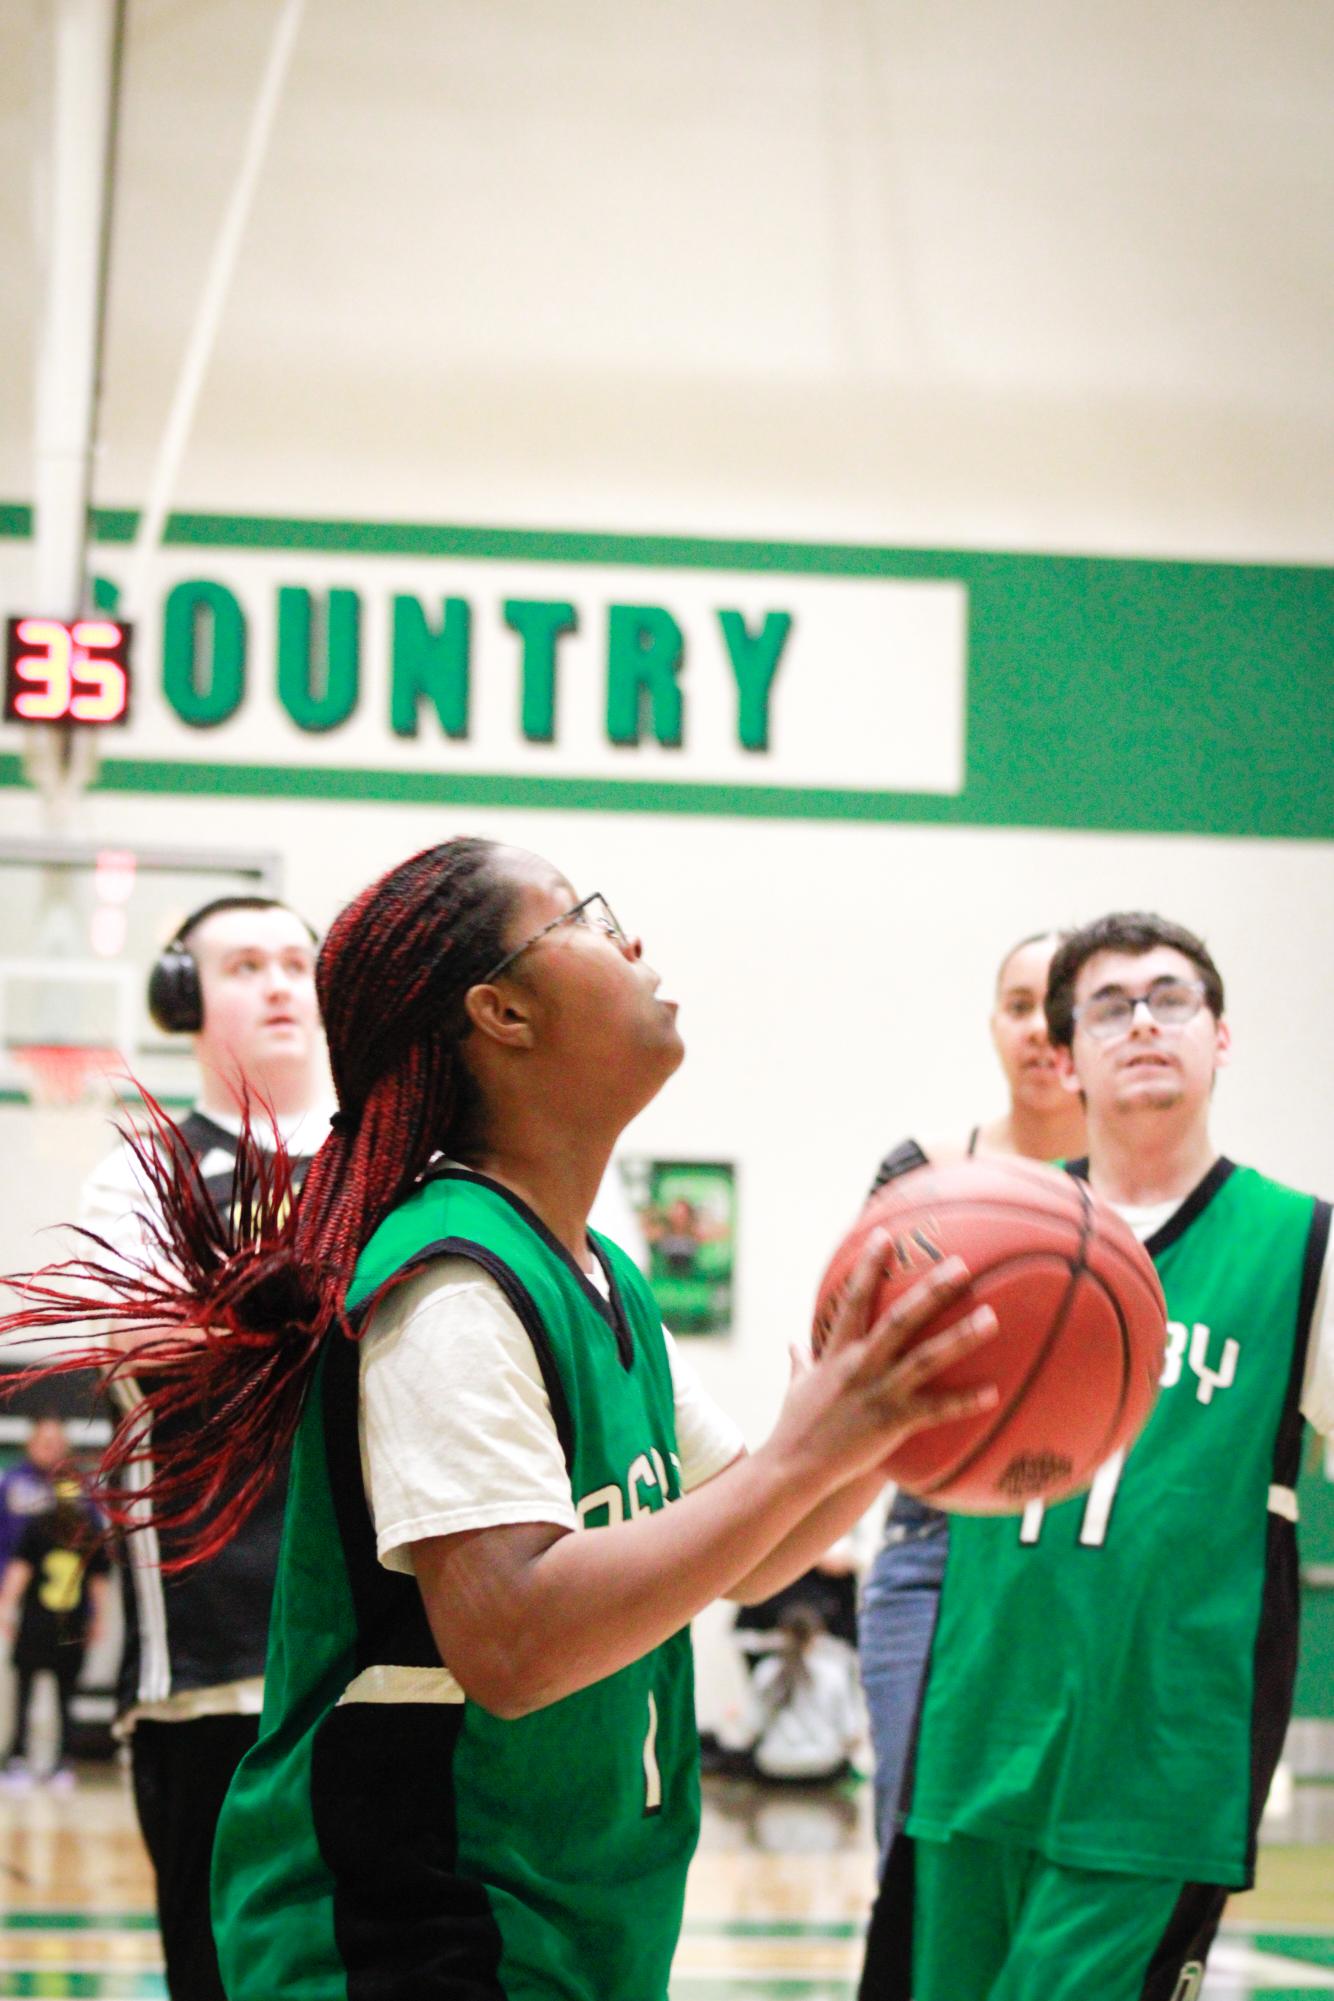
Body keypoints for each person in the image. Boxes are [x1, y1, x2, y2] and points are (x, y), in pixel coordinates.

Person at [0, 838, 1000, 2001]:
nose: (629, 940)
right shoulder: (450, 1284)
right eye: (584, 914)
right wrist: (808, 1447)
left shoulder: (601, 1276)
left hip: (559, 1923)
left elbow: (757, 1552)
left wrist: (888, 1418)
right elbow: (511, 1641)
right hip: (418, 1932)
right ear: (502, 1012)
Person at [861, 911, 1333, 2001]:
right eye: (1107, 1007)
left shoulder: (1299, 1246)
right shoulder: (988, 1232)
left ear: (1220, 1038)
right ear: (1062, 1057)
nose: (1142, 1023)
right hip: (971, 1754)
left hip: (1158, 1777)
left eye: (1171, 999)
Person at [78, 895, 334, 2001]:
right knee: (222, 1972)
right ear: (185, 998)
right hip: (215, 1660)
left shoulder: (395, 1165)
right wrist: (280, 1307)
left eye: (295, 961)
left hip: (379, 1651)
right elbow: (117, 1335)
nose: (279, 984)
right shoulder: (148, 1174)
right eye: (244, 966)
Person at [859, 931, 1086, 1866]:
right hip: (938, 1540)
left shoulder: (1154, 1200)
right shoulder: (921, 1173)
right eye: (1022, 1005)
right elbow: (856, 1369)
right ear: (993, 1023)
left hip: (1092, 1552)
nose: (1043, 1029)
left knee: (1061, 1860)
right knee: (916, 1858)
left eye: (1066, 1006)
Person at [0, 1477, 110, 1789]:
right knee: (27, 1694)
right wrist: (6, 1607)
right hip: (37, 1622)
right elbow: (20, 1570)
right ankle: (18, 1758)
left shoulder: (88, 1532)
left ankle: (62, 1761)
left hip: (68, 1625)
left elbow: (98, 1581)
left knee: (64, 1696)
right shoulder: (38, 1527)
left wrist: (98, 1620)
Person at [746, 1603, 865, 1785]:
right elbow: (850, 1735)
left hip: (773, 1766)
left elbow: (751, 1730)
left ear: (781, 1634)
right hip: (823, 1766)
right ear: (818, 1635)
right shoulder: (833, 1672)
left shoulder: (766, 1671)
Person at [0, 1415, 70, 1572]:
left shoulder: (77, 1487)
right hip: (11, 1578)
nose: (52, 1450)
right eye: (46, 1443)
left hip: (61, 1582)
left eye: (58, 1444)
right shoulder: (11, 1483)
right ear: (30, 1444)